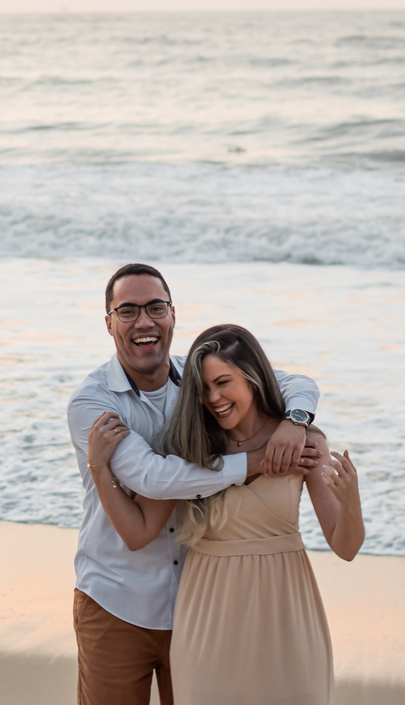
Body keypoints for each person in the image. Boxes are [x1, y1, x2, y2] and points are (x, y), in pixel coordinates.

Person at [68, 263, 324, 705]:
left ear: (172, 315)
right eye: (127, 311)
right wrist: (257, 462)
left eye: (155, 307)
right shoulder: (93, 402)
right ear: (108, 323)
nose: (144, 321)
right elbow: (155, 477)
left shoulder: (200, 379)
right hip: (115, 600)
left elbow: (295, 382)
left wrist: (296, 421)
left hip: (198, 604)